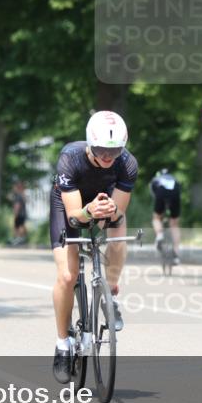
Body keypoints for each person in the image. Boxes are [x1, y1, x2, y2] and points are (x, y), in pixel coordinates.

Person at [50, 111, 138, 383]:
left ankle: (110, 290)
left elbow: (118, 214)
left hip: (102, 204)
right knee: (67, 276)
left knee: (119, 229)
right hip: (70, 207)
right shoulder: (70, 158)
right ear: (90, 144)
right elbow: (75, 216)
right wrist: (89, 212)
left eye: (115, 151)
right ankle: (63, 344)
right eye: (101, 150)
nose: (108, 157)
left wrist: (110, 212)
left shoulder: (127, 164)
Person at [150, 168, 181, 262]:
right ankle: (176, 255)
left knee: (156, 218)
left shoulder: (156, 180)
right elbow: (179, 190)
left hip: (160, 193)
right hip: (175, 194)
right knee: (174, 224)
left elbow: (154, 195)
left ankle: (159, 235)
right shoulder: (175, 179)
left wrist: (161, 211)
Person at [10, 182, 28, 246]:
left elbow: (17, 205)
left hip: (19, 214)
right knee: (21, 226)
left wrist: (15, 213)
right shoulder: (22, 195)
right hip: (23, 214)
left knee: (17, 227)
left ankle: (18, 239)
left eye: (14, 187)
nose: (13, 188)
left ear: (17, 188)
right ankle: (21, 239)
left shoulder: (17, 196)